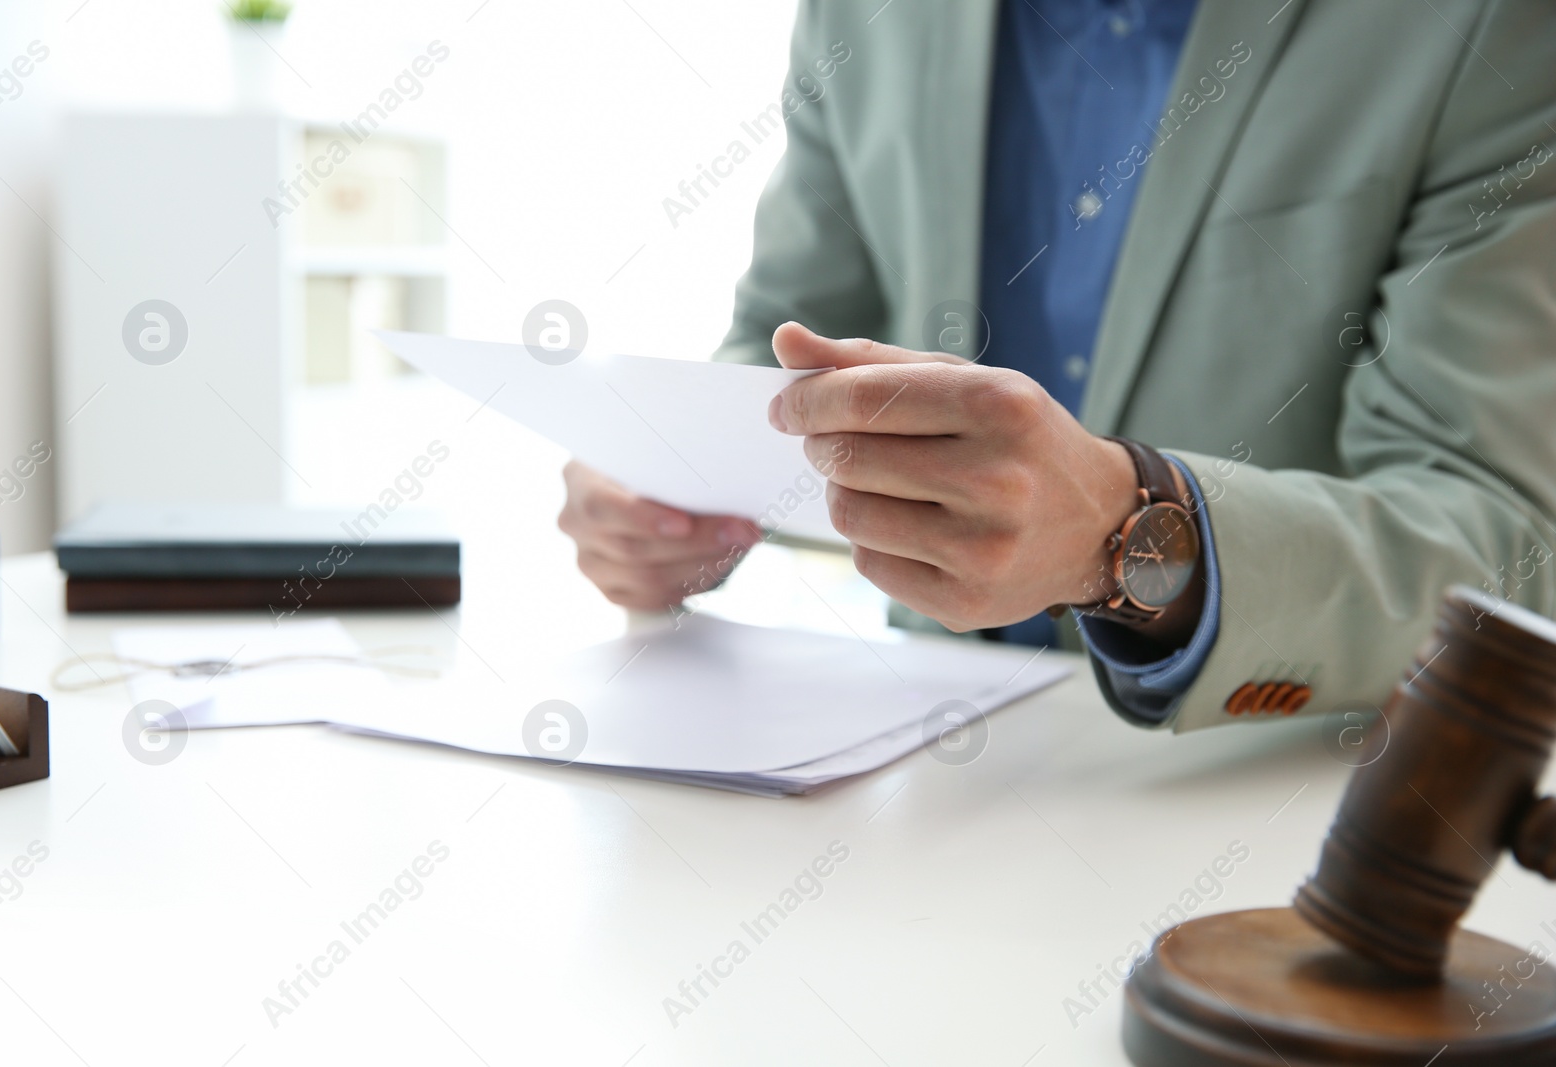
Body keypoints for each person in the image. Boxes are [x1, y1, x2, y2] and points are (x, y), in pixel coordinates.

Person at [559, 0, 1556, 732]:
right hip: (914, 755)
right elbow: (785, 343)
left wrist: (1134, 533)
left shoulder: (1486, 30)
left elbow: (1500, 537)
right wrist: (678, 481)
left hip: (1264, 805)